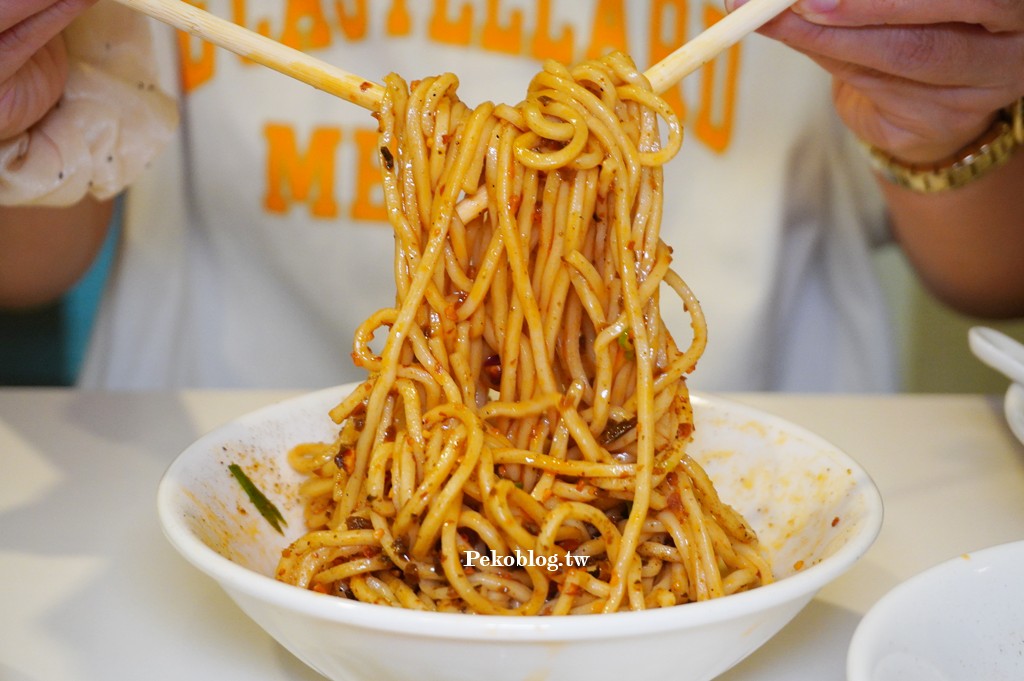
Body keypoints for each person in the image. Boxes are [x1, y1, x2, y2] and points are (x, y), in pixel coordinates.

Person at [1, 0, 1023, 392]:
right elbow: (32, 264)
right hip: (233, 511)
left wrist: (951, 120)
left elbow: (988, 273)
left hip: (725, 512)